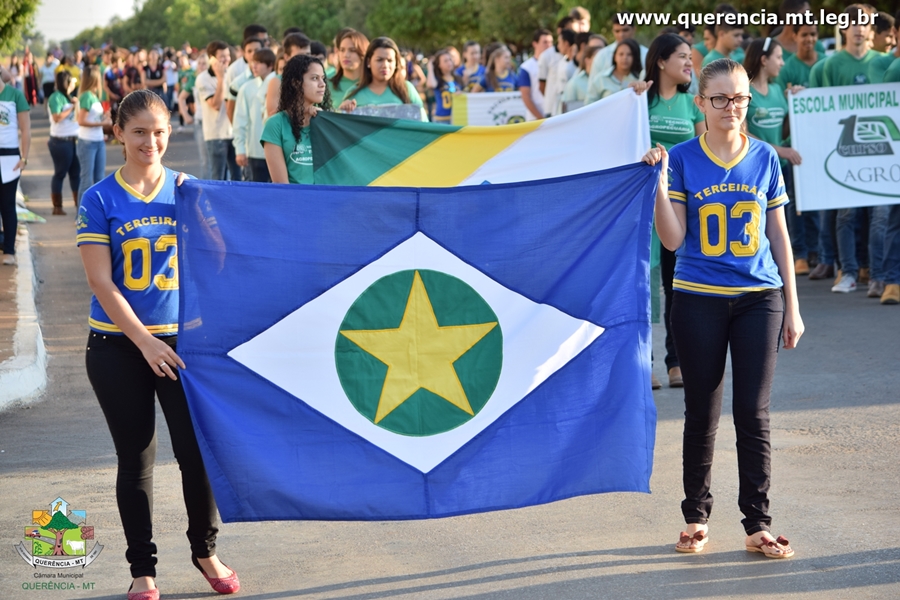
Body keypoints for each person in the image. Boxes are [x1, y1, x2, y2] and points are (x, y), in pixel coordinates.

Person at [76, 89, 239, 600]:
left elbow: (218, 260)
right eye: (140, 131)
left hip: (183, 344)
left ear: (171, 133)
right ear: (119, 133)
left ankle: (205, 551)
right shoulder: (99, 198)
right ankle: (142, 569)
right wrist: (144, 342)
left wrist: (203, 210)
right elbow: (103, 283)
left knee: (196, 455)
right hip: (118, 345)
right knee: (137, 458)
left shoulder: (184, 189)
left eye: (160, 131)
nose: (151, 141)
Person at [642, 57, 802, 558]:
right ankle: (695, 517)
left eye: (739, 98)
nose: (731, 107)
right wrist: (657, 186)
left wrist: (793, 307)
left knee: (753, 413)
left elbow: (778, 234)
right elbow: (673, 240)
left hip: (760, 298)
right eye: (720, 99)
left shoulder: (764, 158)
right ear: (701, 103)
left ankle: (758, 524)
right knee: (701, 413)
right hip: (697, 300)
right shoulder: (683, 159)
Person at [639, 33, 706, 389]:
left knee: (676, 287)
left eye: (690, 57)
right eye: (682, 56)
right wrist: (630, 96)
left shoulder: (692, 105)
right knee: (644, 288)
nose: (689, 63)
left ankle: (675, 361)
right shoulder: (637, 102)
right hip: (641, 210)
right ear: (661, 61)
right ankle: (643, 362)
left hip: (681, 208)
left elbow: (702, 151)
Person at [815, 5, 883, 295]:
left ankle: (880, 274)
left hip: (880, 151)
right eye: (852, 23)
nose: (858, 28)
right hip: (844, 152)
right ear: (843, 29)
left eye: (864, 23)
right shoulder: (831, 65)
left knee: (880, 215)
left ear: (871, 29)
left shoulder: (884, 63)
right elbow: (820, 106)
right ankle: (849, 272)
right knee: (846, 214)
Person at [262, 55, 330, 184]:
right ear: (296, 83)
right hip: (293, 201)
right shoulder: (276, 124)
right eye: (315, 78)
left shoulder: (325, 121)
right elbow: (282, 186)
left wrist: (324, 122)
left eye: (323, 78)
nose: (322, 84)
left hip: (326, 201)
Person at [338, 37, 426, 119]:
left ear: (396, 63)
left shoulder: (407, 89)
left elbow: (423, 125)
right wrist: (343, 111)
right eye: (379, 60)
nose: (385, 65)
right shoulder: (353, 93)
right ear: (368, 62)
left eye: (390, 60)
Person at [195, 41, 240, 181]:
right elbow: (215, 104)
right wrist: (221, 79)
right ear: (212, 58)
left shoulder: (233, 75)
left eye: (228, 55)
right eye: (222, 56)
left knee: (237, 176)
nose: (227, 59)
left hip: (234, 132)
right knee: (217, 177)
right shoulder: (202, 79)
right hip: (216, 135)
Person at [0, 66, 31, 266]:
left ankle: (9, 250)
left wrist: (24, 158)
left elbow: (26, 129)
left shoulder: (15, 95)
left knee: (7, 205)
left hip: (10, 158)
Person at [234, 48, 276, 182]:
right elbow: (240, 120)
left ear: (270, 65)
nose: (254, 66)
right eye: (253, 62)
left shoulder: (280, 85)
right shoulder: (246, 88)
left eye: (259, 62)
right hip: (256, 151)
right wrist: (240, 149)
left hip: (278, 151)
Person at [47, 70, 81, 216]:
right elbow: (56, 117)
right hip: (60, 141)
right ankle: (57, 206)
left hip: (73, 140)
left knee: (75, 174)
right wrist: (72, 107)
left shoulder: (69, 97)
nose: (74, 84)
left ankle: (79, 205)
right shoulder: (56, 97)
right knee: (60, 173)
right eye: (71, 82)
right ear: (66, 83)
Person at [76, 66, 111, 205]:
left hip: (98, 140)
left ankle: (96, 214)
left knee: (99, 179)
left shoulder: (94, 96)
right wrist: (102, 124)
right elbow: (81, 120)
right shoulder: (86, 96)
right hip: (87, 142)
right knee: (86, 180)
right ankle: (80, 216)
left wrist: (104, 118)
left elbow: (93, 119)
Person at [266, 33, 312, 118]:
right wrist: (307, 110)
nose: (306, 59)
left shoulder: (315, 80)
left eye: (308, 54)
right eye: (300, 55)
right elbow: (274, 116)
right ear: (286, 57)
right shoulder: (277, 82)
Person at [586, 38, 642, 103]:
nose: (625, 58)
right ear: (614, 56)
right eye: (621, 54)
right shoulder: (600, 79)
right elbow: (589, 104)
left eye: (629, 54)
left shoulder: (639, 79)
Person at [517, 29, 554, 120]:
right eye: (545, 42)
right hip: (535, 119)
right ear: (535, 44)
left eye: (550, 42)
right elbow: (526, 96)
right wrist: (540, 117)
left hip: (555, 115)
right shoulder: (526, 67)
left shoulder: (557, 64)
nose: (548, 45)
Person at [328, 28, 369, 99]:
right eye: (342, 50)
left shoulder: (374, 85)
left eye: (352, 50)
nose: (346, 55)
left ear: (363, 53)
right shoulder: (326, 85)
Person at [428, 49, 460, 124]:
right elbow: (431, 84)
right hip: (441, 119)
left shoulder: (458, 79)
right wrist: (430, 67)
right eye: (445, 61)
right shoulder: (438, 80)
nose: (449, 63)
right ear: (439, 65)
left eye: (450, 60)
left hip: (457, 117)